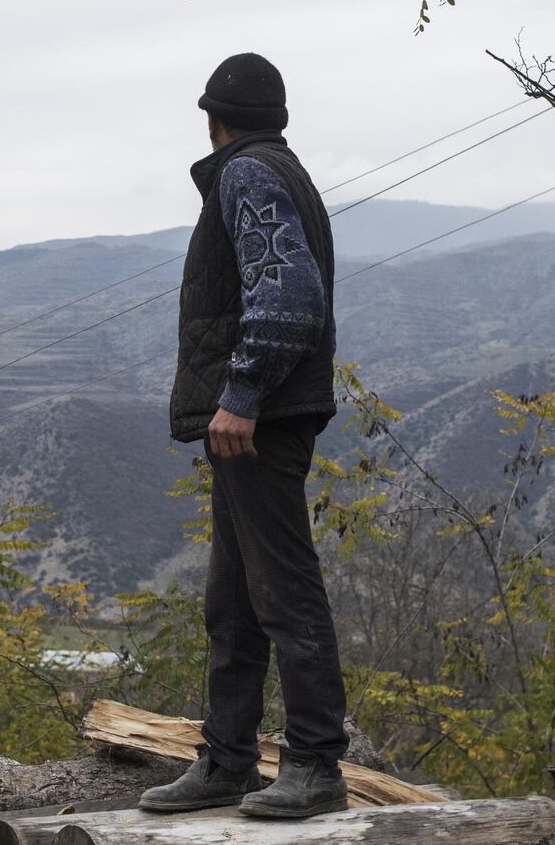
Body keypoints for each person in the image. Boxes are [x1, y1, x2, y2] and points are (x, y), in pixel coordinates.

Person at [139, 52, 349, 820]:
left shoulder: (246, 175)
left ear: (212, 118)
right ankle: (227, 760)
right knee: (232, 600)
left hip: (262, 416)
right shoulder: (275, 170)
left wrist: (243, 392)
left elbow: (289, 293)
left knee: (282, 591)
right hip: (261, 415)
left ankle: (317, 765)